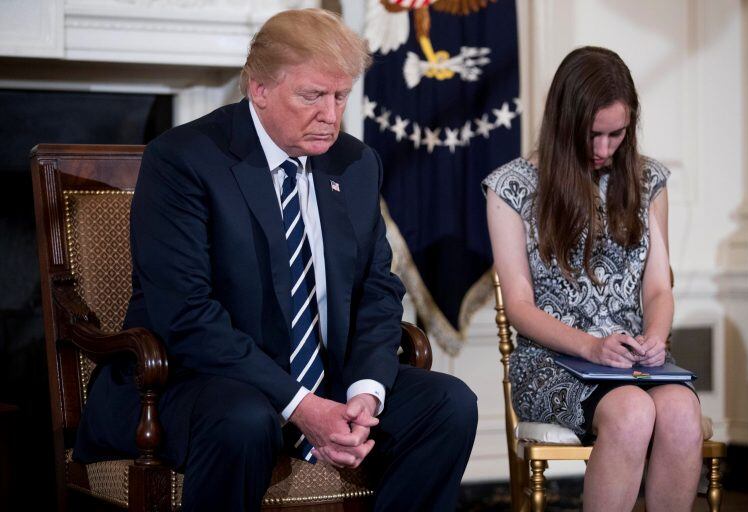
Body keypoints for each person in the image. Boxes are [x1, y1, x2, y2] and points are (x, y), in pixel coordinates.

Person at [73, 8, 477, 511]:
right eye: (312, 96)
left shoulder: (354, 163)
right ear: (258, 89)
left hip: (322, 379)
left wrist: (366, 394)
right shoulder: (184, 159)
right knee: (246, 418)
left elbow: (377, 289)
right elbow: (186, 315)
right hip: (196, 381)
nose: (331, 115)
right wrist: (301, 406)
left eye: (340, 96)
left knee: (448, 405)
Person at [484, 46, 702, 511]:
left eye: (616, 135)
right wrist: (589, 345)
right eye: (592, 135)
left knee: (683, 412)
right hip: (552, 361)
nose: (604, 149)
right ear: (564, 123)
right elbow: (519, 307)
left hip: (632, 360)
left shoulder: (647, 181)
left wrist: (657, 338)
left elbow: (659, 289)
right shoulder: (511, 187)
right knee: (631, 412)